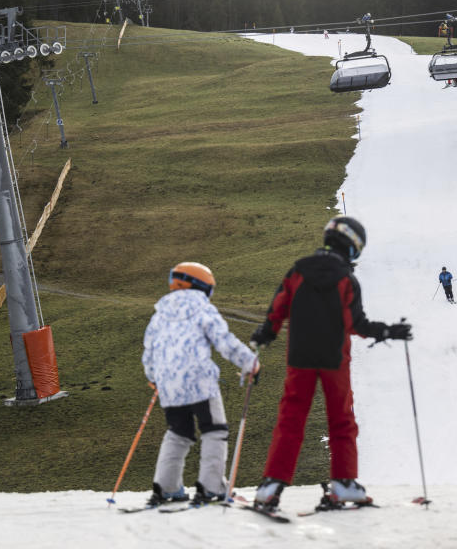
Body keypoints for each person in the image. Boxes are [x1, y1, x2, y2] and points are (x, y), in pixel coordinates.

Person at [250, 216, 413, 513]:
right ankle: (343, 484)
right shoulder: (346, 279)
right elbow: (357, 324)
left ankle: (270, 486)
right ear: (352, 247)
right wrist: (389, 331)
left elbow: (277, 309)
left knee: (291, 419)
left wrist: (266, 334)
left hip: (299, 357)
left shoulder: (298, 270)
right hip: (334, 359)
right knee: (341, 420)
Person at [142, 262, 260, 507]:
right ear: (201, 286)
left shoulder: (159, 314)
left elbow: (149, 351)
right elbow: (224, 341)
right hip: (199, 383)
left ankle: (166, 488)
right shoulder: (203, 310)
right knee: (214, 430)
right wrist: (250, 362)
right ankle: (211, 487)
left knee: (178, 432)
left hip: (169, 386)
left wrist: (153, 377)